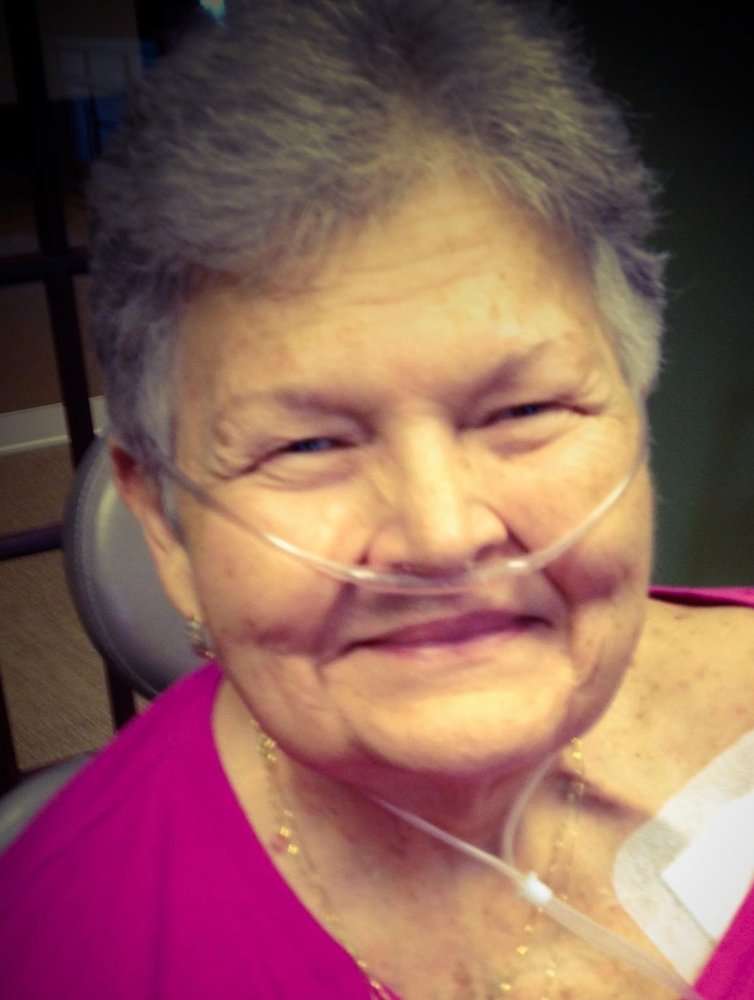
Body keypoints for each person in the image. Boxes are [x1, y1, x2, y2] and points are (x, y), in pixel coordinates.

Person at [1, 1, 752, 997]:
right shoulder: (60, 946)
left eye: (525, 409)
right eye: (307, 443)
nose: (442, 537)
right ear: (161, 527)